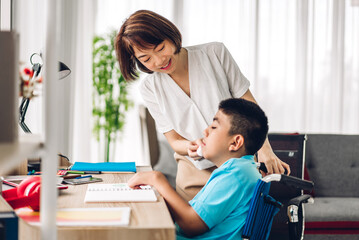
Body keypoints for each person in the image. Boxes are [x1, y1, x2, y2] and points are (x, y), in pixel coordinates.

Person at [115, 9, 290, 201]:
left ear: (170, 36)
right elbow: (174, 140)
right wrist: (190, 145)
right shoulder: (150, 88)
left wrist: (265, 150)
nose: (159, 61)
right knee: (189, 227)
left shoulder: (214, 53)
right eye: (146, 59)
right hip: (194, 172)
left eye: (160, 48)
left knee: (235, 227)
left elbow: (251, 110)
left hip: (238, 167)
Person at [128, 98, 268, 239]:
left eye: (213, 127)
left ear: (235, 142)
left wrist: (157, 179)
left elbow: (192, 224)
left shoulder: (236, 175)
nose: (205, 131)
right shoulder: (243, 170)